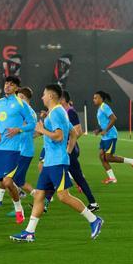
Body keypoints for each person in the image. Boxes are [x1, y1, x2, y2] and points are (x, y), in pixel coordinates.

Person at [10, 84, 104, 243]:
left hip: (56, 163)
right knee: (39, 195)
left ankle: (94, 220)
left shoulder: (56, 114)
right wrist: (67, 151)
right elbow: (73, 133)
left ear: (51, 96)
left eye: (44, 94)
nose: (42, 97)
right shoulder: (57, 112)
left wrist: (43, 130)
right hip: (51, 162)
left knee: (63, 196)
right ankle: (29, 232)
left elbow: (59, 136)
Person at [0, 76, 37, 225]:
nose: (7, 86)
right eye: (6, 83)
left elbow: (32, 124)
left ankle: (18, 209)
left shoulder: (21, 104)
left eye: (11, 84)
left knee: (8, 182)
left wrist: (18, 129)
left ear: (16, 88)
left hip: (12, 150)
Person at [61, 91, 99, 212]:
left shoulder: (70, 112)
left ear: (63, 100)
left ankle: (93, 202)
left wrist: (68, 144)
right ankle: (93, 202)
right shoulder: (62, 112)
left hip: (70, 151)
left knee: (76, 177)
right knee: (55, 174)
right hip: (65, 150)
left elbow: (79, 131)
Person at [93, 90, 133, 183]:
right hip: (105, 137)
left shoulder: (104, 107)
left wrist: (105, 130)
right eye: (93, 98)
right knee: (102, 157)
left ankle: (132, 161)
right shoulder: (99, 108)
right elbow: (104, 123)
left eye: (96, 98)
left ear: (101, 99)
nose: (94, 99)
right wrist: (99, 130)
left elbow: (113, 118)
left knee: (108, 157)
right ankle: (112, 178)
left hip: (111, 135)